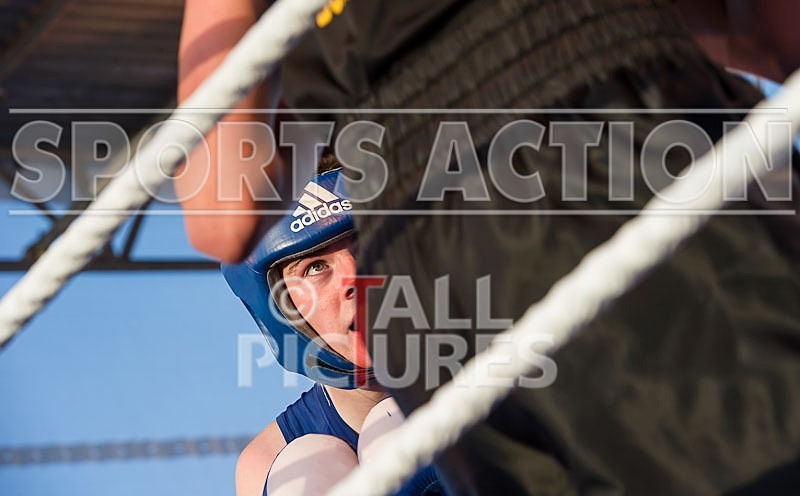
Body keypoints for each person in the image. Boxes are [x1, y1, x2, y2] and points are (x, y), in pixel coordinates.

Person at [178, 1, 800, 494]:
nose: (347, 280)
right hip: (623, 127)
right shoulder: (291, 448)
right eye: (316, 264)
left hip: (442, 238)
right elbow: (768, 36)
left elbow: (220, 218)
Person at [221, 165, 443, 495]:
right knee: (306, 471)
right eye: (316, 267)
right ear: (283, 310)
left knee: (393, 429)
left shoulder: (509, 359)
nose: (355, 279)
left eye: (365, 245)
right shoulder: (264, 462)